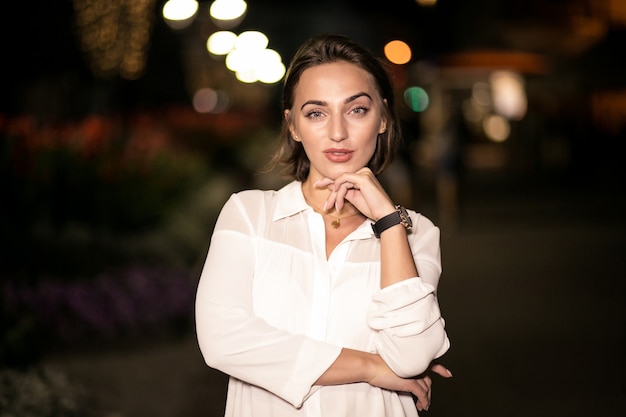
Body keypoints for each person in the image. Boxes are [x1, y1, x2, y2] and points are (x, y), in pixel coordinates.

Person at [195, 33, 451, 417]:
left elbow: (411, 356)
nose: (337, 133)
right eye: (316, 113)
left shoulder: (418, 232)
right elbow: (222, 340)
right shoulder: (249, 215)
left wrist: (388, 223)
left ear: (382, 117)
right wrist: (371, 367)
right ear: (293, 125)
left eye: (356, 110)